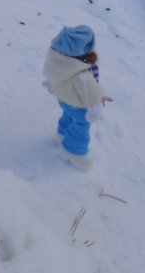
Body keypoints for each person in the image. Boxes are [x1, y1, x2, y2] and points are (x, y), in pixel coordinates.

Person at [42, 24, 113, 169]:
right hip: (79, 105)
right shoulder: (81, 75)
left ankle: (60, 136)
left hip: (64, 99)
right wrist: (100, 98)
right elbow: (91, 94)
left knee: (67, 116)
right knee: (81, 125)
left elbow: (51, 78)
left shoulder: (55, 60)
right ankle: (74, 153)